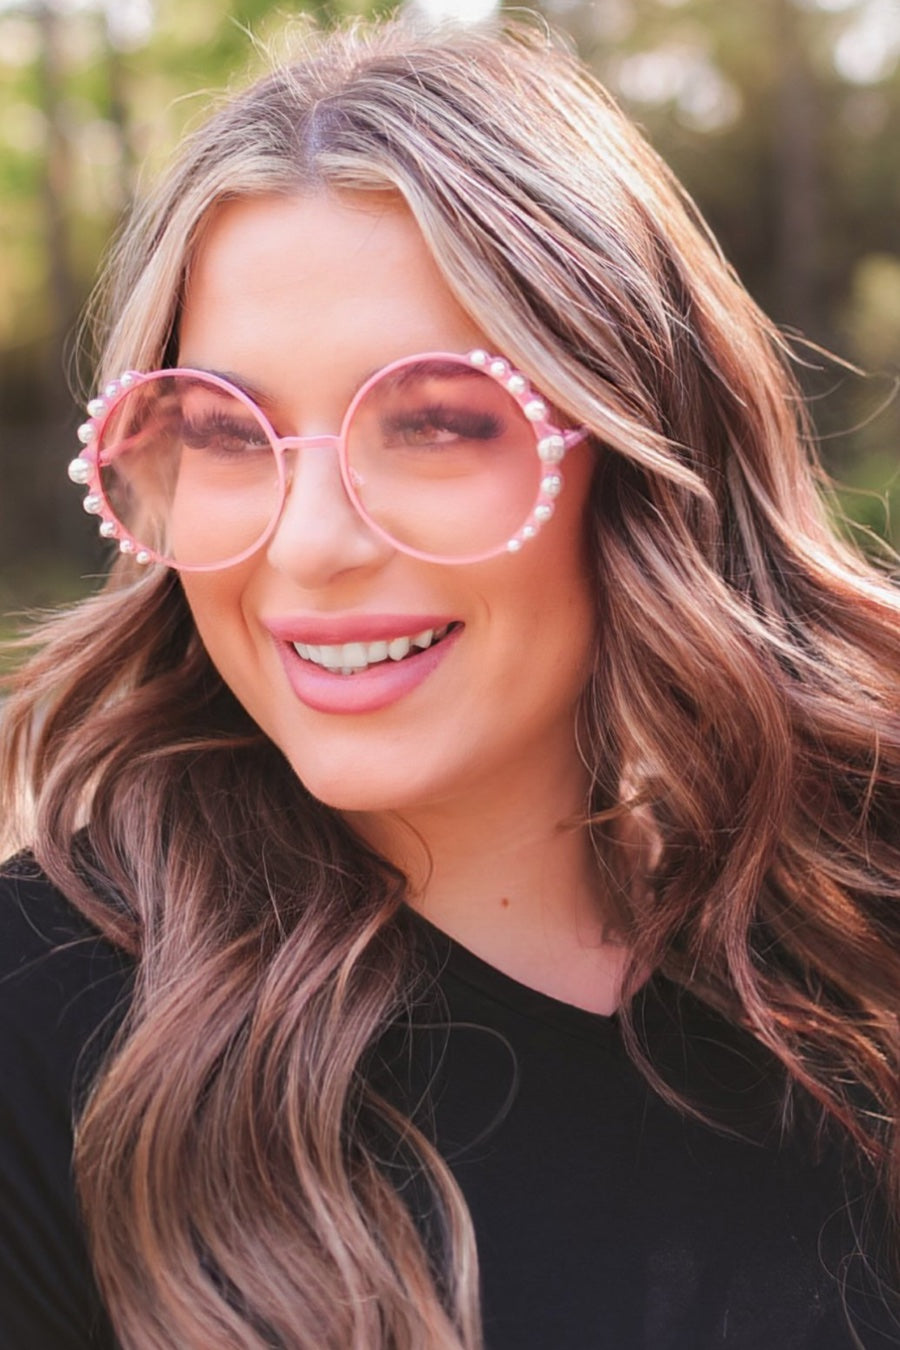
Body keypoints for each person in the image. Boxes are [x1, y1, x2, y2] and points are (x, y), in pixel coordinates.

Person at [1, 15, 899, 1350]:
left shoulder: (856, 931)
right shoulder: (43, 1026)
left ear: (635, 455)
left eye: (430, 421)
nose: (306, 543)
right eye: (225, 433)